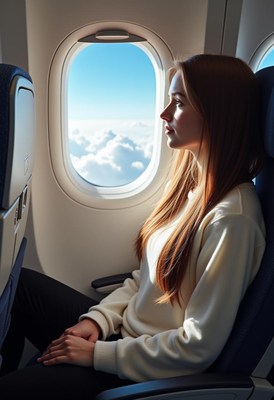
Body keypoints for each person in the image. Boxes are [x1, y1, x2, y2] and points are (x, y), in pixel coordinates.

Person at [0, 54, 266, 398]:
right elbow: (145, 281)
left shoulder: (233, 220)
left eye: (179, 102)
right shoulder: (193, 187)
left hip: (143, 368)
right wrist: (97, 321)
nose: (164, 114)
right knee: (16, 282)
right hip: (123, 336)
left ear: (218, 114)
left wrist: (97, 354)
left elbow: (198, 348)